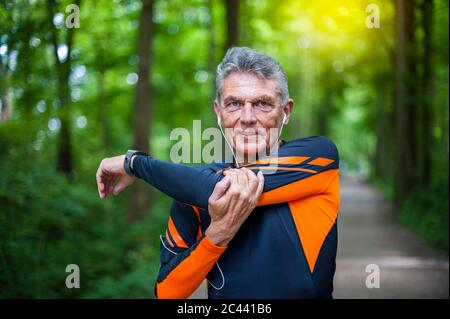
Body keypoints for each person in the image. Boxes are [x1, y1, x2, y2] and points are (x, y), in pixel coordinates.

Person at [96, 47, 340, 298]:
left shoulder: (319, 157)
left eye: (262, 104)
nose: (247, 117)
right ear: (218, 112)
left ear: (286, 112)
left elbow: (218, 188)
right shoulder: (190, 189)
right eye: (234, 104)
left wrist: (134, 163)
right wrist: (217, 236)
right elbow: (166, 292)